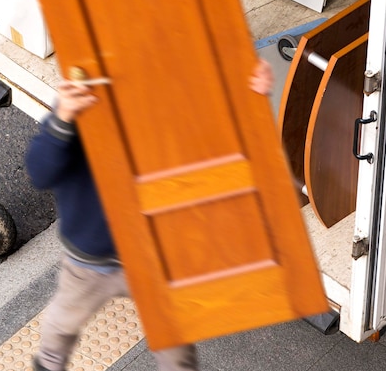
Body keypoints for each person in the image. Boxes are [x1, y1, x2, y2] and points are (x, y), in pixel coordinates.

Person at [25, 59, 274, 371]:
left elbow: (224, 149)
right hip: (88, 260)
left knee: (175, 345)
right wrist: (63, 118)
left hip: (155, 258)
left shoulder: (174, 103)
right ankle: (49, 362)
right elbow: (39, 172)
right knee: (61, 323)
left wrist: (252, 98)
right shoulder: (80, 108)